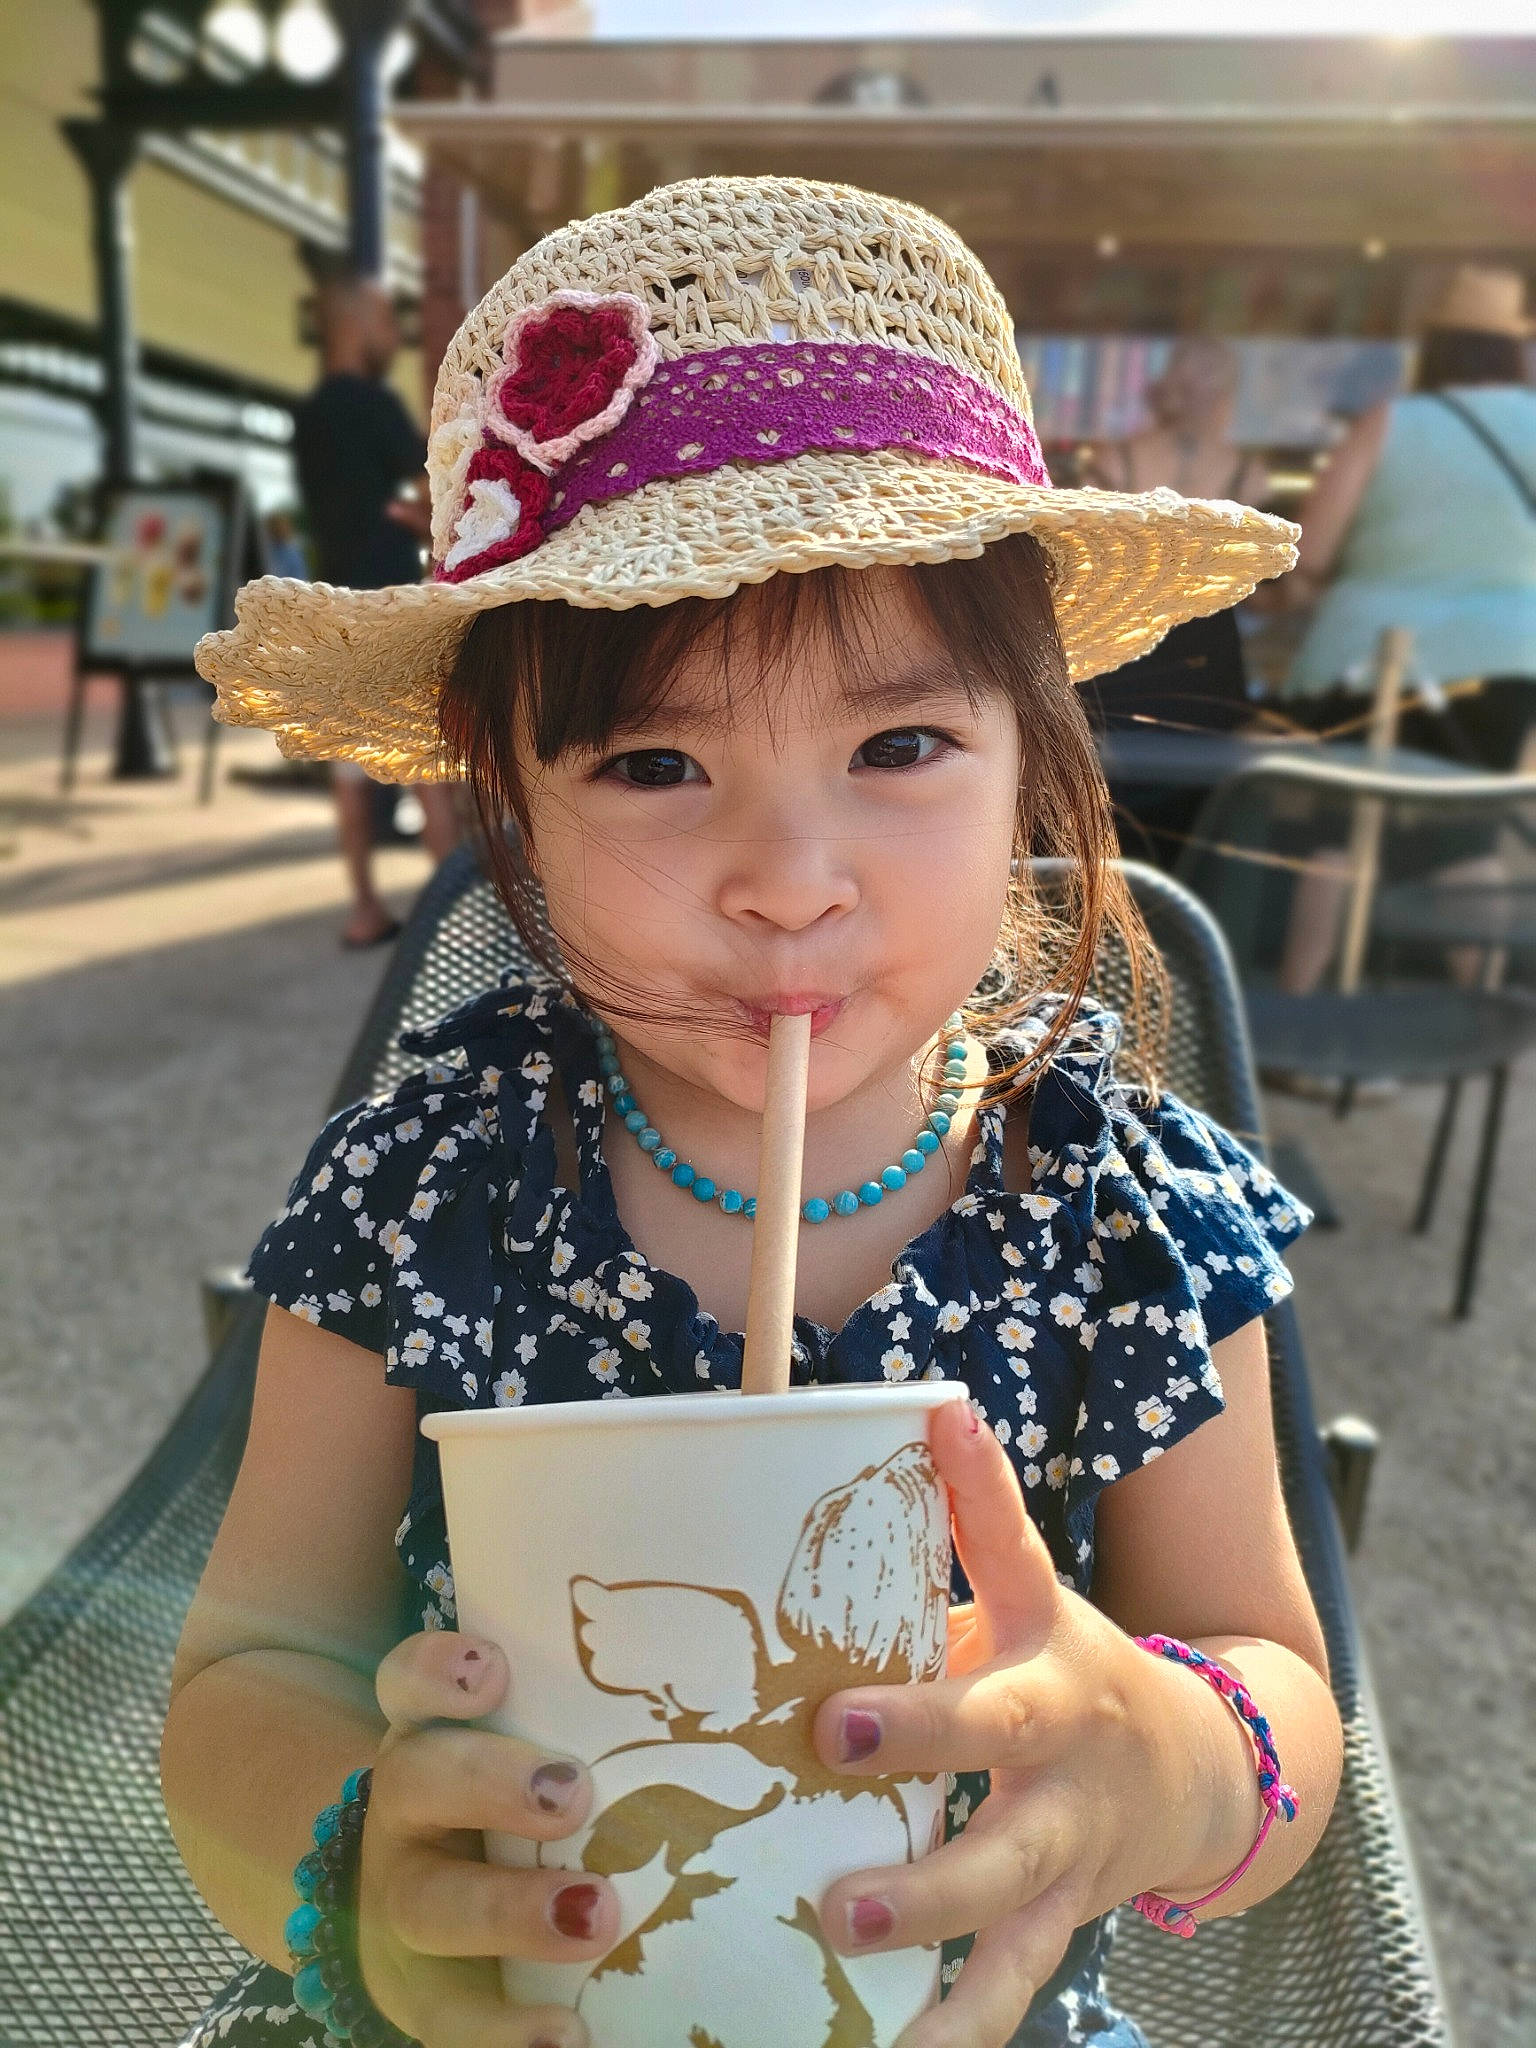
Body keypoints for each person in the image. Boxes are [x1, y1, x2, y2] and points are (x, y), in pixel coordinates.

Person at [174, 179, 1340, 2048]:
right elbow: (251, 1663)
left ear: (1034, 752)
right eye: (653, 761)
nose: (789, 879)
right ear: (505, 806)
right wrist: (361, 1879)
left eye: (898, 748)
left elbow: (1281, 1681)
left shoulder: (1122, 1203)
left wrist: (1164, 1761)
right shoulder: (427, 1177)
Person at [1275, 266, 1536, 992]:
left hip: (1373, 658)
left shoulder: (1390, 422)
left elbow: (1313, 549)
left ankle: (1300, 1006)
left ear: (1439, 347)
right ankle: (1483, 1010)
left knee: (1335, 834)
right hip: (1511, 656)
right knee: (1462, 835)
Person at [294, 271, 460, 947]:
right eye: (388, 323)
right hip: (389, 606)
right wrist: (419, 520)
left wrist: (387, 511)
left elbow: (337, 509)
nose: (394, 338)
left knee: (350, 773)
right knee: (422, 768)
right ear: (356, 323)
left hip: (332, 608)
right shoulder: (373, 403)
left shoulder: (309, 417)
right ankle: (458, 920)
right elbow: (434, 477)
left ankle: (365, 907)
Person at [1081, 340, 1272, 865]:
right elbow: (1255, 587)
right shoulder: (1247, 474)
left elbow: (1089, 558)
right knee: (1195, 803)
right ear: (1227, 395)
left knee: (1112, 793)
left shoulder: (1113, 460)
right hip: (1208, 653)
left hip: (1127, 640)